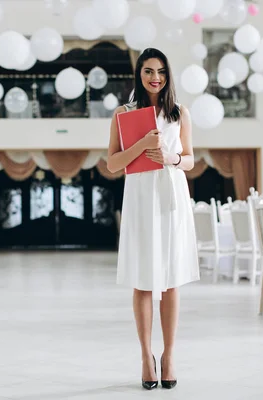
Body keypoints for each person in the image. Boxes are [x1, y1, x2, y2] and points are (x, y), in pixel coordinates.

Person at [106, 48, 199, 390]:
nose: (155, 77)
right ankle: (146, 355)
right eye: (148, 71)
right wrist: (143, 145)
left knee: (171, 278)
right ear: (139, 74)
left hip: (171, 195)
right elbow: (113, 164)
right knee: (143, 281)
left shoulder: (180, 113)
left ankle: (169, 354)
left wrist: (171, 156)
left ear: (168, 74)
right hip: (141, 197)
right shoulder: (124, 113)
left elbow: (190, 159)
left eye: (160, 71)